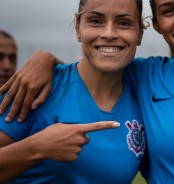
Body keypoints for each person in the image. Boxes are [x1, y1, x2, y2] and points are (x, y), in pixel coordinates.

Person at [1, 0, 174, 183]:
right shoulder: (37, 90)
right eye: (169, 10)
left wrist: (46, 59)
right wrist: (44, 60)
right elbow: (85, 72)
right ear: (156, 24)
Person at [0, 0, 147, 183]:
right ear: (78, 28)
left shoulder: (145, 102)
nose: (109, 33)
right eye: (95, 21)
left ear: (140, 32)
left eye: (124, 23)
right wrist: (37, 147)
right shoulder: (35, 88)